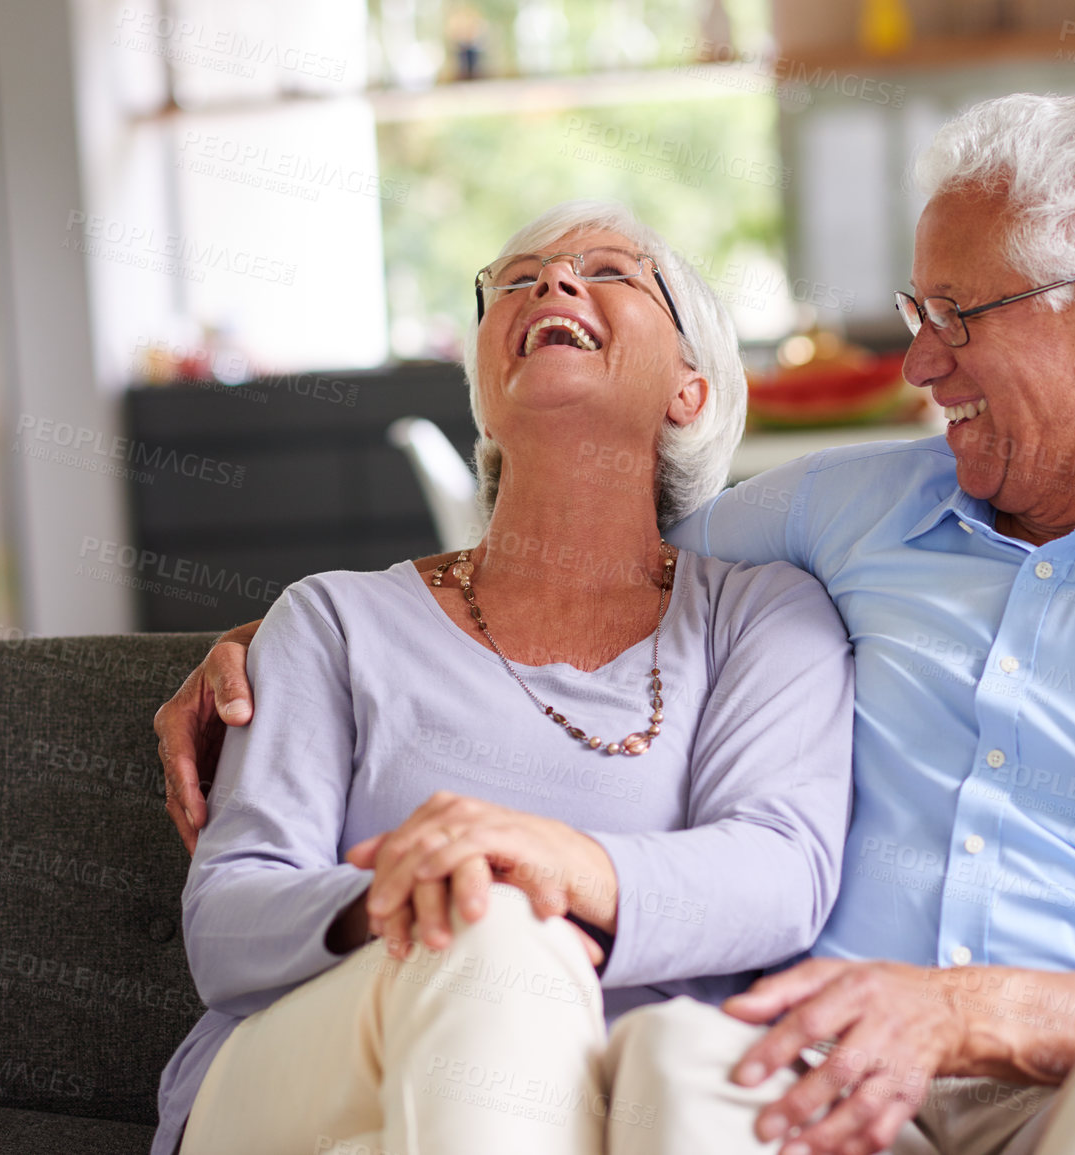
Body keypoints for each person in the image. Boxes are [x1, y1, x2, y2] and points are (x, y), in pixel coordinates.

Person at [158, 95, 1075, 1155]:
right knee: (671, 1045)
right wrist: (259, 654)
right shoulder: (838, 517)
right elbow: (586, 556)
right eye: (914, 315)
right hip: (811, 1082)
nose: (919, 366)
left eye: (958, 317)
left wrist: (965, 1014)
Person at [149, 199, 856, 1155]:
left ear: (690, 390)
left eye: (607, 271)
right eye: (515, 280)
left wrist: (555, 862)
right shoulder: (332, 620)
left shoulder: (763, 617)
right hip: (310, 1075)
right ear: (485, 378)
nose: (551, 284)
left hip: (596, 1108)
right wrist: (409, 892)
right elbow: (226, 925)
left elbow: (779, 874)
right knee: (488, 935)